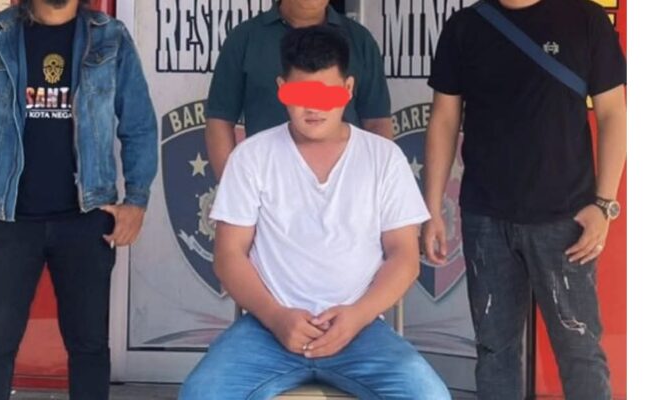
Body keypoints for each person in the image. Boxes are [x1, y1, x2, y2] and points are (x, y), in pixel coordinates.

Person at [179, 25, 450, 400]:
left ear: (349, 89)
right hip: (266, 329)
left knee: (429, 396)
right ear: (281, 88)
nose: (314, 107)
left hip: (360, 330)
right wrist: (277, 318)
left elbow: (404, 256)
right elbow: (228, 256)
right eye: (300, 94)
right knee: (200, 394)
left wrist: (356, 317)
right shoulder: (252, 157)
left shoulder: (384, 158)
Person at [0, 0, 158, 399]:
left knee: (89, 346)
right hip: (5, 221)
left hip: (87, 219)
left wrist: (136, 200)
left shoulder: (110, 37)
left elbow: (139, 124)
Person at [422, 0, 626, 398]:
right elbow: (444, 118)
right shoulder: (465, 27)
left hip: (566, 219)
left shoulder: (585, 19)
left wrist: (604, 204)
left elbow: (613, 113)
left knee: (580, 349)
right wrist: (432, 209)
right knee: (494, 351)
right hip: (485, 217)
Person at [205, 0, 393, 179]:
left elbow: (376, 122)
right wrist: (235, 188)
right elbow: (220, 121)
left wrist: (371, 185)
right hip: (266, 185)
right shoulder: (245, 38)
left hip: (346, 187)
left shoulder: (360, 39)